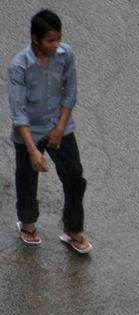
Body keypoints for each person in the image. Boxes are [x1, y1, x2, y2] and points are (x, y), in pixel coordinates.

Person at [7, 9, 92, 253]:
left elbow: (70, 92)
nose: (56, 45)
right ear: (35, 39)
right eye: (50, 41)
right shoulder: (19, 67)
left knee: (75, 176)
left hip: (59, 126)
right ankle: (28, 223)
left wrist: (60, 127)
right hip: (28, 132)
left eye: (58, 39)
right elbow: (18, 112)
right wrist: (33, 151)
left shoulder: (65, 55)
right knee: (27, 179)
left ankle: (73, 230)